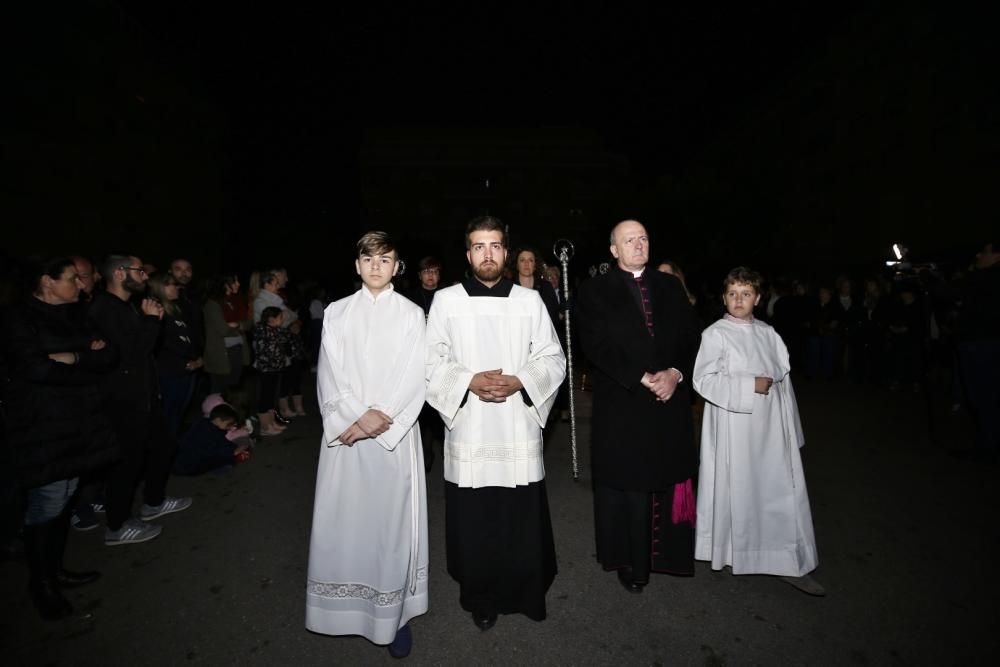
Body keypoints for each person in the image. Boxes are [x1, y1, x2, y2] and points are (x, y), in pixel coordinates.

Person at [426, 216, 566, 630]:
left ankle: (525, 591)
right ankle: (480, 595)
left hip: (515, 424)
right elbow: (431, 361)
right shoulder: (447, 301)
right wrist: (468, 380)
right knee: (476, 520)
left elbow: (553, 358)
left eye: (495, 246)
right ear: (468, 254)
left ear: (505, 252)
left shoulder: (529, 302)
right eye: (478, 246)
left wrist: (520, 380)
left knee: (518, 516)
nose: (487, 254)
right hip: (469, 426)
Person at [305, 232, 428, 659]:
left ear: (397, 267)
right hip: (348, 440)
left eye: (386, 259)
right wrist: (355, 417)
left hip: (394, 438)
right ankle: (347, 614)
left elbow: (417, 374)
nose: (377, 265)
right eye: (368, 258)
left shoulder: (413, 314)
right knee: (348, 523)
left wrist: (381, 418)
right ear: (357, 265)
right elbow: (329, 373)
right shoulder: (337, 313)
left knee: (391, 529)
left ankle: (395, 618)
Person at [576, 220, 701, 593]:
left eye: (643, 238)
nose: (638, 244)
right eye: (629, 240)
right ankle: (632, 563)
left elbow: (690, 336)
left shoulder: (669, 286)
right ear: (614, 250)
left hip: (668, 403)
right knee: (628, 485)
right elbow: (595, 345)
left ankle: (669, 557)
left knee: (665, 476)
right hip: (624, 403)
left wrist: (676, 374)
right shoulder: (595, 290)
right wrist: (644, 376)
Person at [692, 267, 824, 596]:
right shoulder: (715, 334)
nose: (739, 300)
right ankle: (733, 550)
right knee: (737, 486)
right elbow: (703, 379)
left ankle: (784, 559)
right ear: (724, 297)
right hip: (734, 426)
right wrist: (749, 385)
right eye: (733, 293)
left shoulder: (768, 334)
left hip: (771, 431)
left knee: (775, 489)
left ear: (758, 298)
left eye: (746, 294)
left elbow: (784, 384)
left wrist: (792, 431)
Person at [2, 257, 119, 619]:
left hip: (78, 422)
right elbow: (33, 368)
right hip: (42, 427)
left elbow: (109, 356)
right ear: (47, 282)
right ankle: (41, 585)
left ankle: (55, 570)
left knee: (66, 496)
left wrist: (69, 358)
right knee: (49, 502)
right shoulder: (17, 318)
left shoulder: (76, 313)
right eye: (72, 279)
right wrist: (85, 359)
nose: (81, 285)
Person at [88, 255, 192, 546]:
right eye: (140, 271)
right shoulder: (104, 308)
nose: (146, 276)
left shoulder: (126, 306)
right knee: (127, 463)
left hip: (144, 396)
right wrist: (150, 321)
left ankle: (153, 502)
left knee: (163, 445)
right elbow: (130, 357)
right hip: (124, 400)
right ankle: (117, 526)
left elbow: (142, 353)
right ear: (120, 274)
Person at [406, 256, 444, 471]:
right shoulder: (410, 298)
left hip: (442, 360)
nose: (431, 276)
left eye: (435, 271)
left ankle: (447, 449)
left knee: (443, 406)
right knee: (424, 411)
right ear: (420, 275)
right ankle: (425, 451)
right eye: (426, 272)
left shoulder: (446, 296)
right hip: (418, 361)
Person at [173, 403, 250, 476]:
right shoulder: (211, 432)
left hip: (177, 461)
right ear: (218, 420)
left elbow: (222, 443)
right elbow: (215, 450)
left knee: (224, 452)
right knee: (223, 459)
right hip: (187, 466)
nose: (230, 427)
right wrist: (234, 452)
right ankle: (220, 468)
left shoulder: (204, 423)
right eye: (229, 424)